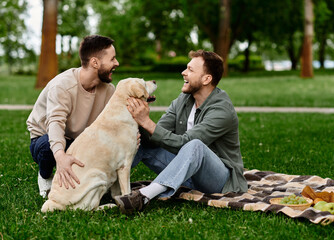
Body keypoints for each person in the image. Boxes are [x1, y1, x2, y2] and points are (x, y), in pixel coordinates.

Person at [115, 50, 248, 214]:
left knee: (195, 146)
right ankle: (105, 186)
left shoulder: (222, 111)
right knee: (141, 140)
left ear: (207, 79)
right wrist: (138, 122)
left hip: (218, 180)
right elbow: (157, 134)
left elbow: (185, 143)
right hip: (184, 172)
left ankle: (142, 197)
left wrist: (146, 121)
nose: (183, 72)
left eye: (191, 70)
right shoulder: (184, 99)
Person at [27, 35, 119, 198]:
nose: (116, 63)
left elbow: (112, 123)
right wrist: (61, 156)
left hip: (80, 139)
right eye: (112, 59)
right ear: (95, 63)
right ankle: (45, 175)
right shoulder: (62, 86)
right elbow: (55, 123)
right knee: (47, 148)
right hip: (45, 138)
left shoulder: (108, 90)